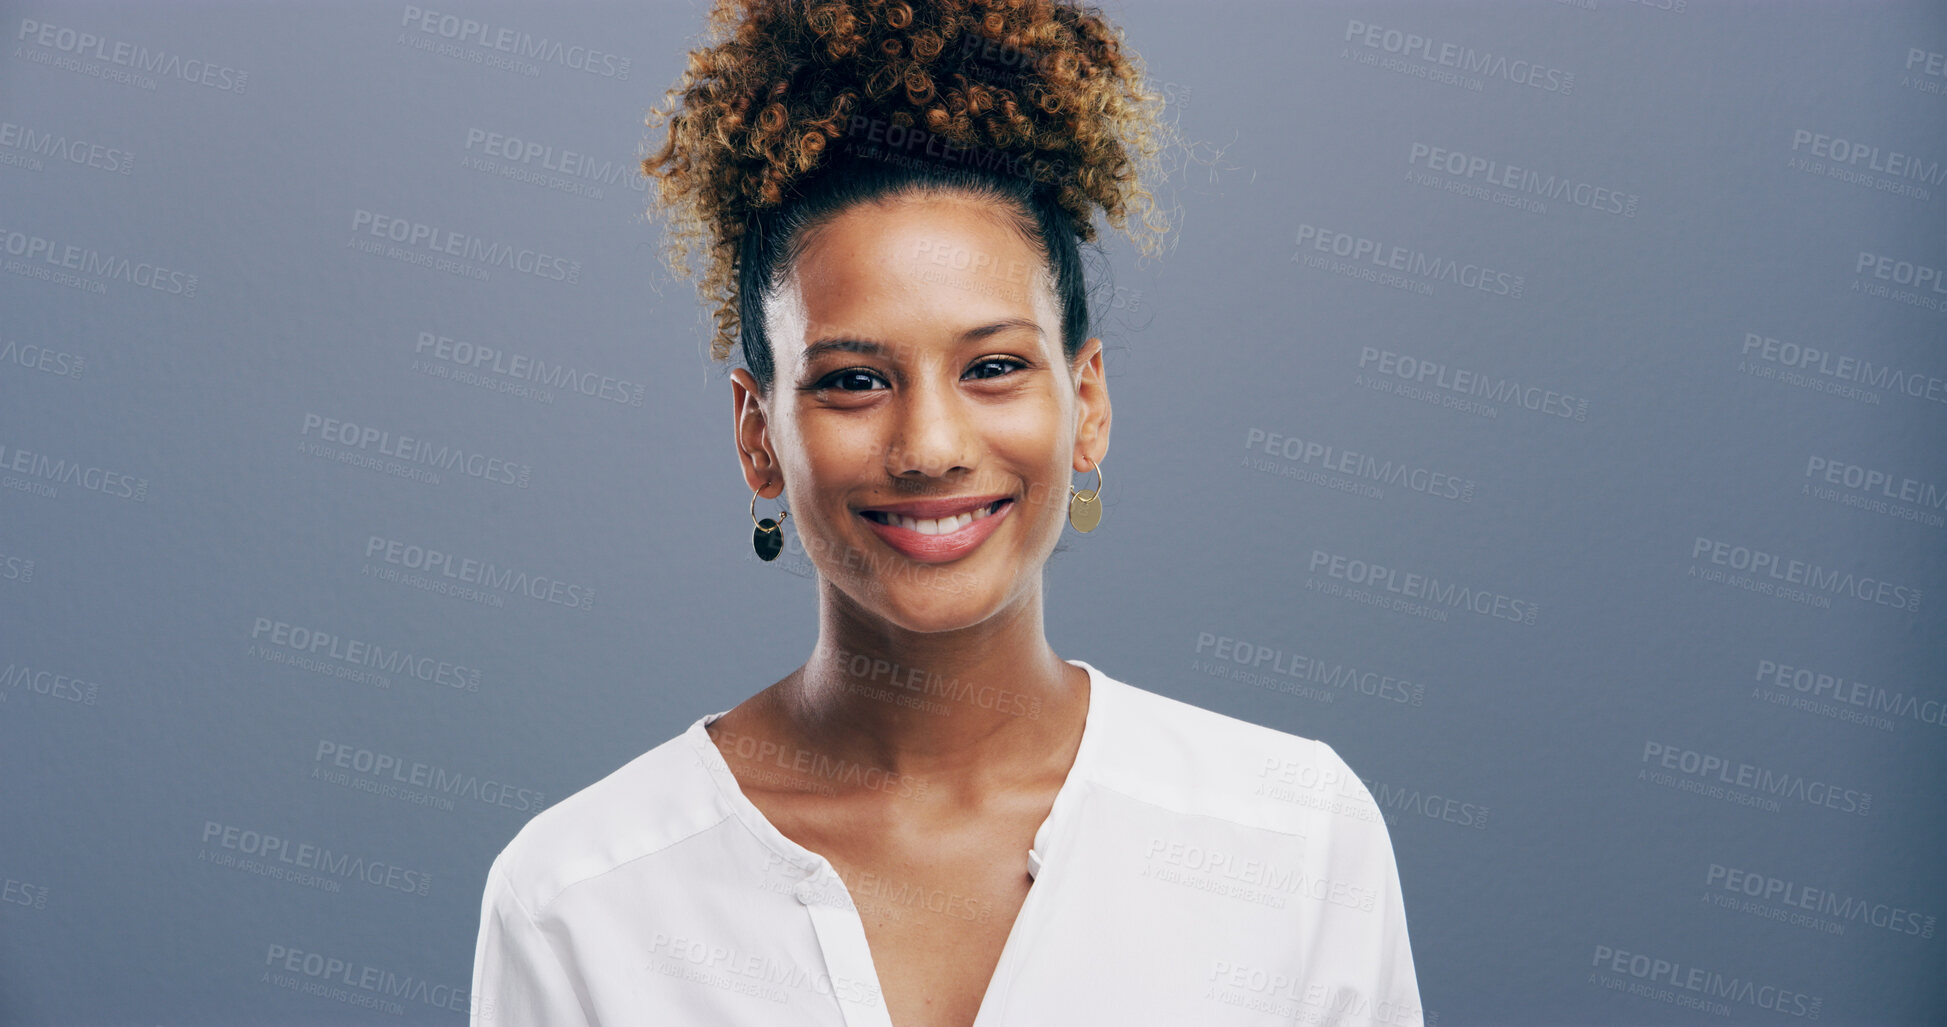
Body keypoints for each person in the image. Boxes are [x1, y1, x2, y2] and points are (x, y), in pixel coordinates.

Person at [471, 1, 1422, 1024]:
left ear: (1087, 403)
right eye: (852, 380)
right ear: (757, 434)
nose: (930, 446)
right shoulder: (578, 900)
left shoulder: (1292, 838)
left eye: (995, 366)